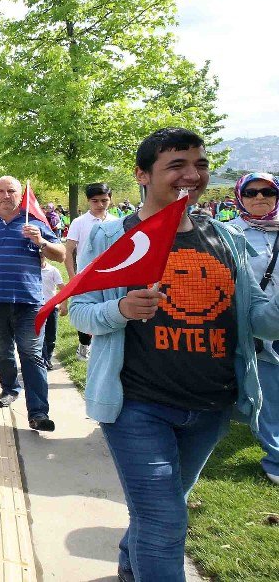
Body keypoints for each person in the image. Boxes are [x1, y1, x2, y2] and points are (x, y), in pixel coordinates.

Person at [70, 128, 279, 581]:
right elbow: (80, 313)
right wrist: (120, 309)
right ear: (142, 175)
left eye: (200, 165)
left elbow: (261, 322)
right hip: (137, 407)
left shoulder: (227, 240)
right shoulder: (114, 237)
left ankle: (132, 569)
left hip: (210, 407)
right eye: (177, 165)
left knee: (159, 511)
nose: (193, 174)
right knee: (165, 522)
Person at [0, 176, 65, 432]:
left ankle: (39, 413)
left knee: (32, 355)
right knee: (3, 353)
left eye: (12, 191)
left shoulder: (34, 221)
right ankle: (9, 389)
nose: (6, 196)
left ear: (20, 195)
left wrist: (40, 242)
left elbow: (61, 254)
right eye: (0, 191)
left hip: (29, 302)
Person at [229, 172, 279, 485]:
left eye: (267, 192)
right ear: (240, 196)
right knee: (268, 390)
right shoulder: (231, 232)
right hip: (255, 323)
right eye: (251, 192)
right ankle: (275, 458)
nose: (259, 198)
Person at [62, 183, 117, 360]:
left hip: (111, 275)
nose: (100, 205)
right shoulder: (79, 222)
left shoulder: (115, 222)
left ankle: (106, 344)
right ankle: (84, 344)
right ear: (88, 201)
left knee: (108, 309)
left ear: (110, 199)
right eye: (95, 201)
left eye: (104, 200)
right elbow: (68, 250)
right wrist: (72, 276)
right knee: (86, 311)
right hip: (85, 275)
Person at [39, 255, 64, 370]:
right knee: (40, 335)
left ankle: (48, 357)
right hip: (38, 307)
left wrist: (64, 304)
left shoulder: (53, 270)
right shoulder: (31, 270)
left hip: (51, 307)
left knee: (51, 335)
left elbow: (62, 288)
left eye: (41, 255)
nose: (39, 257)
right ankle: (44, 360)